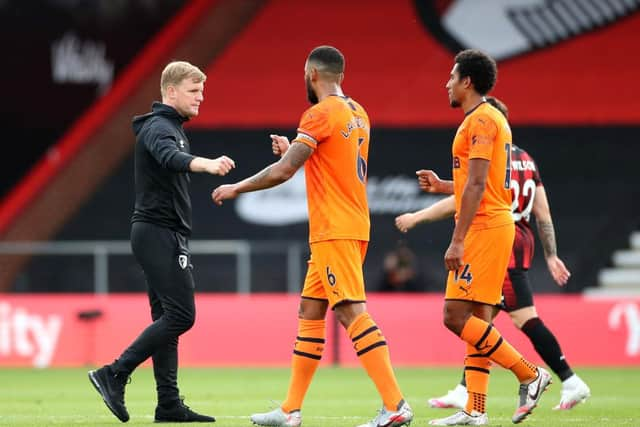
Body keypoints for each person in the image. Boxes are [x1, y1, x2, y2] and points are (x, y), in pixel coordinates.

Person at [212, 45, 413, 427]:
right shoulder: (357, 112)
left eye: (304, 74)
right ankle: (290, 410)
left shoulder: (319, 114)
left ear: (313, 74)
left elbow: (283, 172)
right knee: (310, 311)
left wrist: (236, 187)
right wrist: (295, 150)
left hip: (335, 229)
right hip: (345, 225)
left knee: (351, 311)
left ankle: (395, 404)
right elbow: (328, 163)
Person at [396, 96, 590, 416]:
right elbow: (540, 211)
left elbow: (477, 192)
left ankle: (545, 376)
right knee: (482, 319)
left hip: (491, 236)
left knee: (488, 317)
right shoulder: (525, 159)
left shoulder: (490, 147)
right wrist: (551, 255)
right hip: (516, 239)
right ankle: (473, 403)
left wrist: (419, 217)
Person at [88, 61, 235, 423]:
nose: (201, 98)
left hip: (162, 233)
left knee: (168, 318)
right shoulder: (158, 127)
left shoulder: (170, 127)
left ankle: (168, 404)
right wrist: (207, 164)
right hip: (157, 233)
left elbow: (171, 161)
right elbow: (171, 159)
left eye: (202, 91)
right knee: (183, 316)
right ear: (170, 91)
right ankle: (115, 373)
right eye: (193, 91)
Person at [411, 50, 553, 426]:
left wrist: (457, 240)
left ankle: (529, 373)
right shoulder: (485, 118)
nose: (447, 83)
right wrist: (444, 185)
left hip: (484, 228)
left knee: (454, 316)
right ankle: (475, 409)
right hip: (490, 222)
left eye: (452, 76)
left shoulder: (483, 120)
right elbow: (480, 182)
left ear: (467, 82)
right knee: (478, 318)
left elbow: (477, 184)